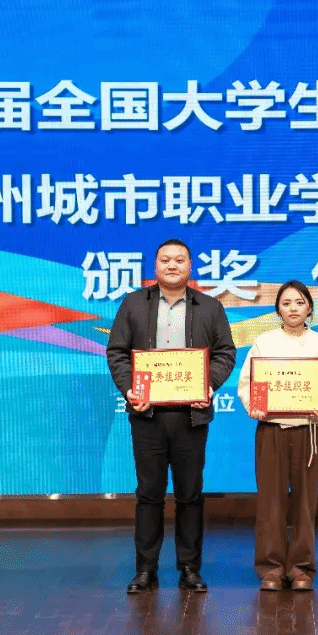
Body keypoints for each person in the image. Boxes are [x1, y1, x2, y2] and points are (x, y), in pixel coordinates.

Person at [106, 238, 237, 594]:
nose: (172, 265)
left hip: (191, 415)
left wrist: (208, 384)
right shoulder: (134, 304)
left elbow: (225, 352)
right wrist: (129, 389)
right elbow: (117, 352)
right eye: (165, 260)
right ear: (156, 266)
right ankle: (145, 569)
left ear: (190, 267)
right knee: (149, 494)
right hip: (147, 414)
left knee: (190, 493)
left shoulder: (209, 307)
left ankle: (190, 568)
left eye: (179, 260)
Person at [237, 281, 318, 592]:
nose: (293, 308)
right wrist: (255, 405)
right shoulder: (264, 342)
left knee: (304, 502)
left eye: (299, 302)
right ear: (278, 309)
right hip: (271, 429)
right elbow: (247, 382)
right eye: (286, 303)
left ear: (309, 307)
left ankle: (301, 569)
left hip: (309, 431)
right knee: (270, 502)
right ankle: (271, 569)